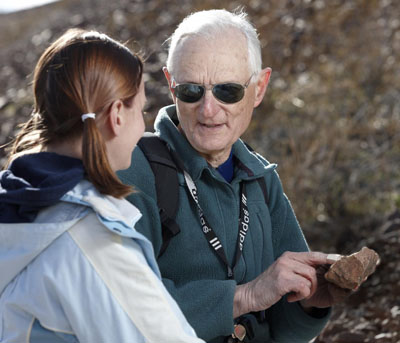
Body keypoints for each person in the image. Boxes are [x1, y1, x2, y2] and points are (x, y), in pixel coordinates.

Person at [118, 9, 351, 343]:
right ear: (171, 86)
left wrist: (311, 302)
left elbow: (285, 329)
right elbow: (119, 311)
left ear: (259, 88)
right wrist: (245, 296)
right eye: (190, 90)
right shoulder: (132, 171)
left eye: (227, 91)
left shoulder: (260, 178)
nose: (208, 109)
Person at [0, 28, 205, 343]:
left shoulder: (14, 206)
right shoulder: (94, 244)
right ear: (117, 116)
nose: (143, 125)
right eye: (141, 109)